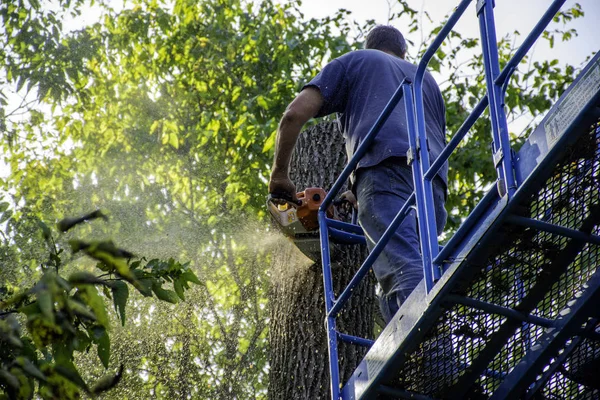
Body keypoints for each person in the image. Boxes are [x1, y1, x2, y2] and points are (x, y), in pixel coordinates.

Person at [268, 25, 448, 324]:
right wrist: (357, 191)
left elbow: (293, 115)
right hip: (433, 187)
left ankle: (430, 356)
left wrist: (280, 176)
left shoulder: (359, 60)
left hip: (384, 175)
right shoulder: (424, 78)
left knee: (403, 272)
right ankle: (420, 344)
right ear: (403, 53)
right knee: (412, 269)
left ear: (370, 46)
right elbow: (418, 140)